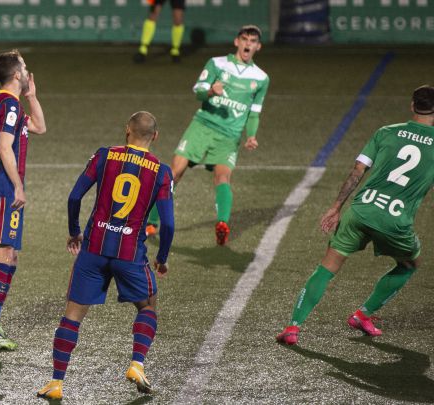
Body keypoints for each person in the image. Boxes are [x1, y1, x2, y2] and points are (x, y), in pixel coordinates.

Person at [276, 85, 434, 345]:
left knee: (327, 267)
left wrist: (336, 207)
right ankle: (363, 314)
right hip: (395, 221)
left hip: (360, 210)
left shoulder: (386, 132)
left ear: (411, 105)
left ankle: (293, 327)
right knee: (409, 264)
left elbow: (357, 170)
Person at [37, 111, 174, 400]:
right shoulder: (161, 172)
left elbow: (74, 196)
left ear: (127, 130)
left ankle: (56, 382)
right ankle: (137, 364)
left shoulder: (104, 156)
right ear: (155, 136)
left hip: (94, 250)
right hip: (130, 254)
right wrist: (162, 257)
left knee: (72, 317)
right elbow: (169, 222)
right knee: (148, 306)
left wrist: (75, 230)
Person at [146, 25, 269, 245]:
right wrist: (211, 91)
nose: (247, 44)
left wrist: (251, 135)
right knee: (174, 173)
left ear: (258, 46)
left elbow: (254, 113)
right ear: (236, 42)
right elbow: (197, 91)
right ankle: (152, 222)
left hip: (229, 135)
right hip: (202, 126)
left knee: (222, 177)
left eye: (252, 41)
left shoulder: (261, 78)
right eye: (244, 39)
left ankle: (222, 224)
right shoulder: (217, 63)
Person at [0, 49, 46, 350]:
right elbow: (5, 148)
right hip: (5, 187)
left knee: (11, 254)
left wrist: (32, 96)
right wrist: (18, 186)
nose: (28, 71)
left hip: (7, 186)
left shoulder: (11, 104)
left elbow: (41, 128)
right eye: (25, 67)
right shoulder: (7, 105)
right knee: (4, 251)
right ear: (17, 74)